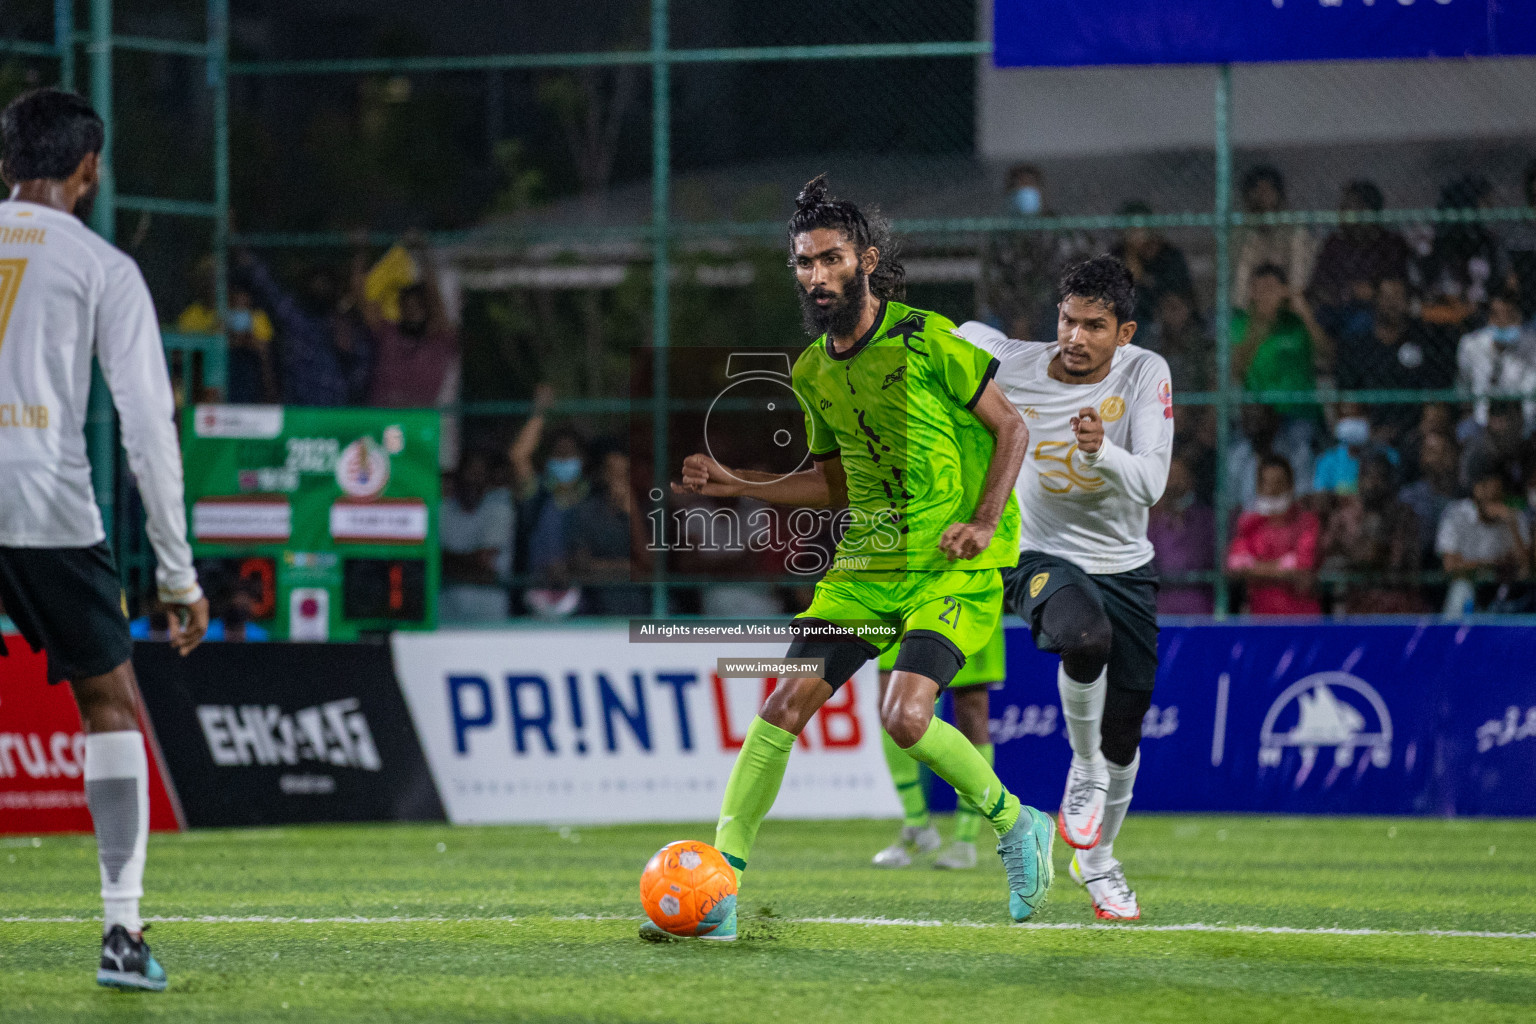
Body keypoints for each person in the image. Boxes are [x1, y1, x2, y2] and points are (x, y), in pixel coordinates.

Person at [663, 175, 1048, 939]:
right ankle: (721, 892)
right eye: (804, 262)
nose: (816, 275)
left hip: (954, 560)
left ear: (866, 260)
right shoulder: (812, 371)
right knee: (781, 708)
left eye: (831, 258)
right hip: (868, 565)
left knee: (905, 716)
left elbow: (1013, 430)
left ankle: (1016, 823)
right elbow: (833, 483)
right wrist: (739, 481)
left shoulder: (929, 339)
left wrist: (981, 521)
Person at [0, 89, 208, 991]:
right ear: (89, 168)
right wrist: (178, 574)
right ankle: (121, 935)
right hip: (45, 509)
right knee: (110, 702)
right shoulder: (103, 267)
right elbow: (148, 429)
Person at [958, 253, 1174, 922]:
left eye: (1095, 326)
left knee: (1127, 729)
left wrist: (1099, 451)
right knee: (1082, 636)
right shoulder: (1016, 362)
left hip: (1126, 564)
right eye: (1068, 321)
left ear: (1125, 332)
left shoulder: (1147, 372)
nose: (1076, 338)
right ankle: (1081, 771)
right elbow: (965, 331)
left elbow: (1153, 483)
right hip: (1035, 551)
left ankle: (1097, 859)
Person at [870, 623, 1005, 872]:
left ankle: (965, 839)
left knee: (971, 712)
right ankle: (916, 823)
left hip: (964, 597)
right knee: (890, 705)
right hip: (903, 599)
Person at [235, 247, 372, 407]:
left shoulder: (346, 324)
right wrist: (241, 250)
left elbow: (362, 371)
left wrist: (348, 354)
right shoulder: (296, 317)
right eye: (317, 282)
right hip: (298, 411)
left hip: (336, 413)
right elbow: (265, 284)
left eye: (326, 283)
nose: (321, 287)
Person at [978, 163, 1091, 341]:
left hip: (1050, 311)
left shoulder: (1058, 229)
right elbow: (995, 281)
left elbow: (1062, 279)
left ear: (1041, 191)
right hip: (1009, 314)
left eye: (1031, 186)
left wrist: (1028, 320)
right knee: (988, 325)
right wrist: (1016, 319)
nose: (1026, 193)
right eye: (1019, 188)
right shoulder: (1001, 234)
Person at [1232, 263, 1329, 450]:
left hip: (1300, 412)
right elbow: (1236, 368)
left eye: (1270, 289)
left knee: (1300, 443)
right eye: (1258, 289)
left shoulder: (1296, 323)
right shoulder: (1241, 324)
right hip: (1260, 416)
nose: (1264, 296)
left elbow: (1325, 352)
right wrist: (1261, 323)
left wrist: (1301, 307)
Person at [366, 232, 460, 411]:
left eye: (418, 305)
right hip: (381, 420)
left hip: (418, 423)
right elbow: (367, 300)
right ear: (400, 308)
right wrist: (363, 251)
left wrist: (424, 256)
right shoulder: (388, 334)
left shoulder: (438, 341)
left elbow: (434, 300)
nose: (413, 310)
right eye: (407, 305)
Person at [1319, 453, 1422, 614]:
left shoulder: (1404, 515)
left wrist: (1368, 555)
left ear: (1389, 482)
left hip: (1395, 601)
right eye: (1367, 477)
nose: (1373, 484)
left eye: (1379, 477)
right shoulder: (1343, 515)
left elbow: (1398, 562)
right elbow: (1328, 554)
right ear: (1359, 480)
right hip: (1351, 600)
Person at [1306, 180, 1412, 330]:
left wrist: (1373, 293)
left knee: (1362, 321)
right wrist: (1345, 293)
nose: (1341, 213)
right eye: (1342, 208)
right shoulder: (1335, 244)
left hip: (1374, 311)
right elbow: (1318, 284)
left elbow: (1399, 287)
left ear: (1367, 211)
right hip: (1336, 308)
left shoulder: (1391, 244)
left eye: (1348, 207)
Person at [175, 256, 277, 404]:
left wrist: (246, 340)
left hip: (246, 388)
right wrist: (214, 340)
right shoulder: (191, 315)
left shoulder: (254, 316)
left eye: (215, 279)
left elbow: (267, 359)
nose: (210, 285)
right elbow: (180, 358)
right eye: (205, 279)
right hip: (204, 390)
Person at [1226, 456, 1321, 614]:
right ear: (1259, 487)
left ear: (1290, 486)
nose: (1272, 490)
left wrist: (1255, 567)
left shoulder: (1307, 522)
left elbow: (1302, 568)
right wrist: (1284, 565)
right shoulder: (1249, 524)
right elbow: (1236, 565)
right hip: (1261, 619)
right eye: (1266, 484)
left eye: (1278, 483)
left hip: (1303, 618)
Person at [569, 446, 649, 616]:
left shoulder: (647, 510)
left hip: (640, 607)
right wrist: (628, 569)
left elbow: (649, 565)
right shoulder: (586, 512)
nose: (619, 480)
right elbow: (581, 565)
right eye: (614, 472)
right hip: (598, 606)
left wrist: (632, 512)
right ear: (603, 475)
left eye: (624, 473)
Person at [1418, 175, 1506, 330]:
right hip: (1440, 314)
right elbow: (1426, 285)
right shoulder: (1435, 240)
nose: (1490, 209)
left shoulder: (1487, 241)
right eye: (1485, 203)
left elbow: (1496, 282)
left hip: (1478, 316)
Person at [1437, 471, 1530, 614]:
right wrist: (1490, 564)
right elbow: (1450, 565)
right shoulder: (1456, 514)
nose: (1493, 500)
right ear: (1477, 489)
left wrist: (1513, 526)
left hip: (1505, 587)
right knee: (1461, 590)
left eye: (1497, 495)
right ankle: (1452, 634)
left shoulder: (1514, 517)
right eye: (1487, 492)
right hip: (1469, 584)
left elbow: (1524, 568)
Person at [439, 448, 513, 622]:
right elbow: (430, 561)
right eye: (469, 474)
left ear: (488, 480)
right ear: (458, 478)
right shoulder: (441, 510)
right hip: (446, 615)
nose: (473, 481)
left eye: (479, 475)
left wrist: (445, 560)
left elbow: (484, 562)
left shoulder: (499, 509)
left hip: (489, 617)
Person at [1232, 165, 1316, 310]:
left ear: (1279, 195)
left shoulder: (1295, 230)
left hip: (1287, 304)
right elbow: (1233, 279)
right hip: (1247, 306)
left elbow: (1300, 279)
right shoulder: (1238, 233)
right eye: (1256, 191)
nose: (1261, 197)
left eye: (1267, 191)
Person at [1147, 452, 1215, 614]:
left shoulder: (1206, 519)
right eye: (1170, 476)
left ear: (1191, 480)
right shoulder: (1152, 521)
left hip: (1199, 604)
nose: (1174, 483)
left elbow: (1207, 560)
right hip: (1162, 605)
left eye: (1179, 476)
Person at [1457, 291, 1536, 431]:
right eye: (1497, 316)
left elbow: (1530, 391)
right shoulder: (1471, 345)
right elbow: (1464, 383)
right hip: (1481, 423)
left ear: (1519, 317)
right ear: (1489, 318)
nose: (1503, 323)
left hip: (1523, 424)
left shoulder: (1531, 347)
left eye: (1510, 316)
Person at [1110, 200, 1194, 326]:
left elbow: (1178, 290)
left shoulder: (1169, 254)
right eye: (1131, 230)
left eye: (1141, 230)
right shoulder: (1118, 253)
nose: (1137, 235)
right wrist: (1131, 252)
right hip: (1134, 312)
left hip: (1166, 310)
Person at [1399, 431, 1463, 569]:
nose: (1439, 458)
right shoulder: (1409, 497)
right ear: (1422, 457)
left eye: (1445, 452)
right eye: (1432, 452)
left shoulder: (1466, 497)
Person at [1314, 402, 1397, 499]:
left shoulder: (1387, 455)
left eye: (1358, 416)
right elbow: (1321, 495)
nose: (1352, 422)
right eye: (1347, 416)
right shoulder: (1326, 460)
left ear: (1368, 418)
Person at [1141, 289, 1213, 394]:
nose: (1174, 314)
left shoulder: (1200, 343)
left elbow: (1208, 381)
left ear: (1188, 309)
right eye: (1169, 308)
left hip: (1193, 404)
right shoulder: (1151, 343)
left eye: (1178, 308)